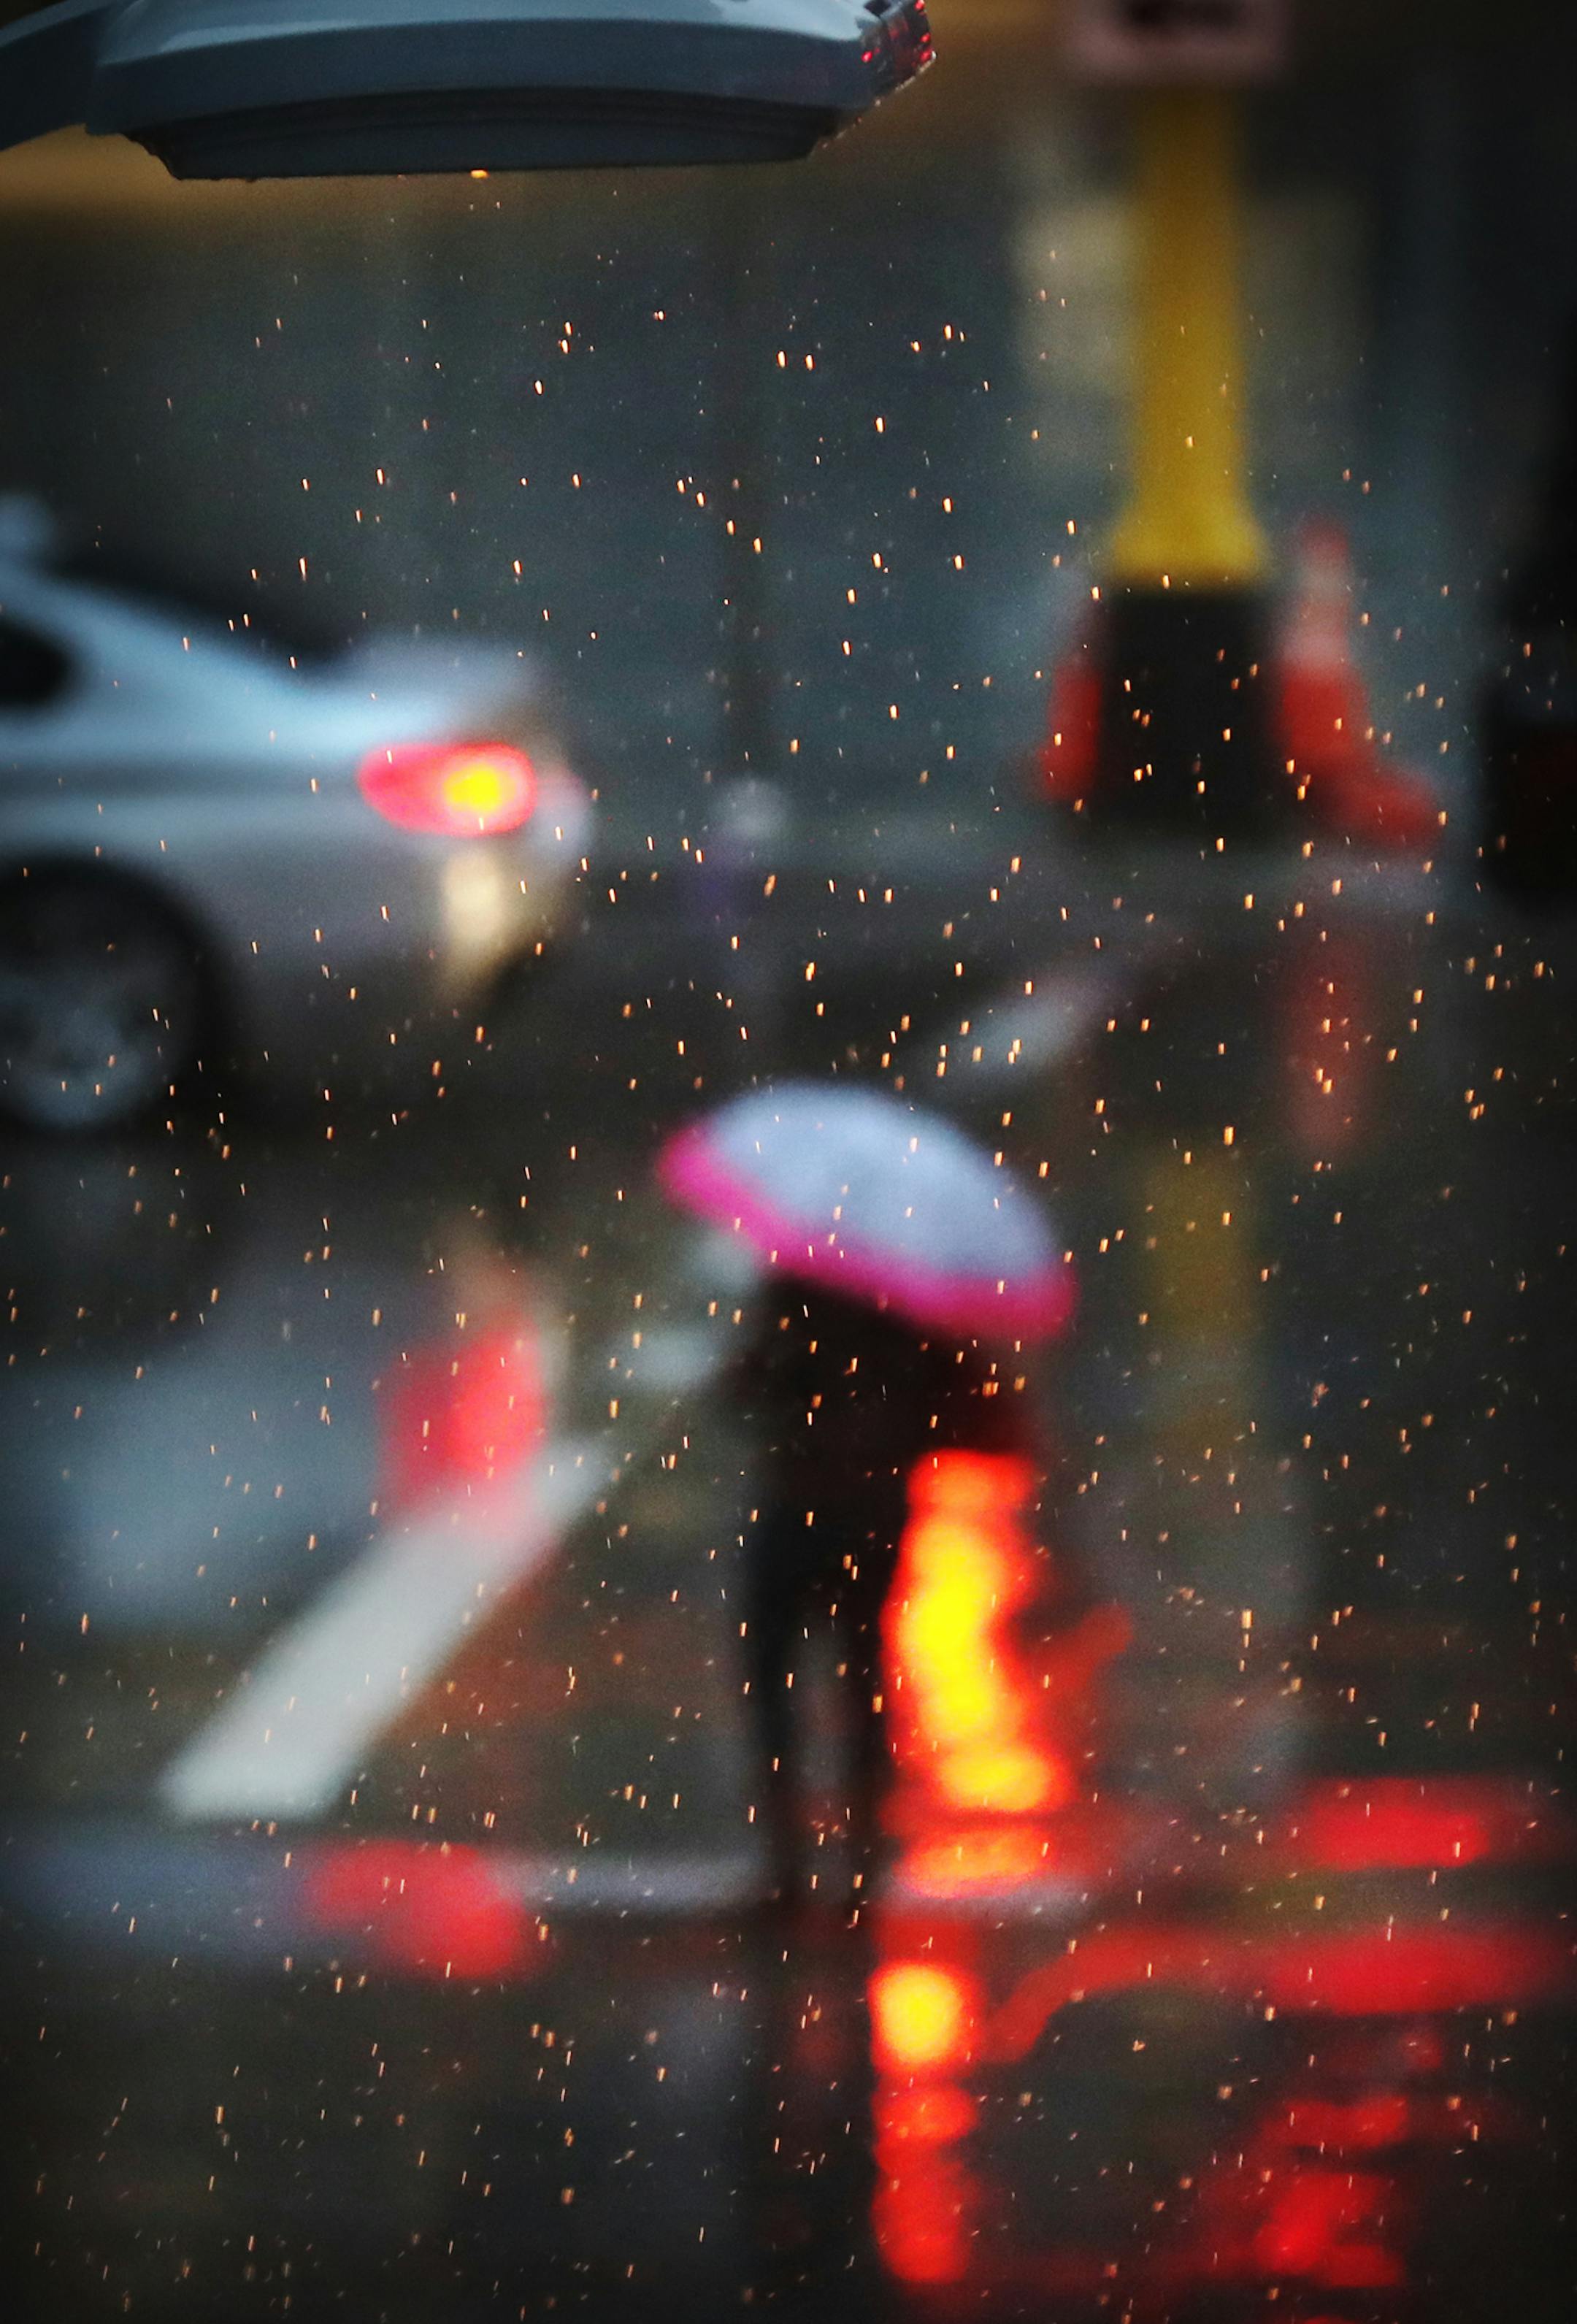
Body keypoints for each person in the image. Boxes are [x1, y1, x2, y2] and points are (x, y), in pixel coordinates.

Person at [735, 1279, 1029, 1903]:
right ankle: (857, 1863)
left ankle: (793, 1864)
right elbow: (978, 1417)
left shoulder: (795, 1298)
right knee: (858, 1684)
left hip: (800, 1514)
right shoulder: (908, 1310)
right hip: (868, 1522)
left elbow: (743, 1392)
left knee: (782, 1685)